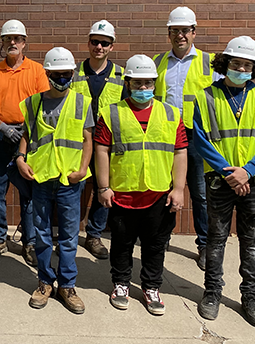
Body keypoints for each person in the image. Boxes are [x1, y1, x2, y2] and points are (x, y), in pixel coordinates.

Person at [193, 37, 255, 329]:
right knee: (215, 240)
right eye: (236, 63)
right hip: (220, 180)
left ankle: (250, 298)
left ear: (254, 68)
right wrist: (230, 173)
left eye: (247, 65)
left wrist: (248, 171)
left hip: (253, 181)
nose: (241, 68)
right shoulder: (206, 97)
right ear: (224, 64)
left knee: (251, 242)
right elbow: (201, 140)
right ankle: (212, 293)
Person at [94, 54, 187, 316]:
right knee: (122, 243)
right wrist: (103, 186)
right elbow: (101, 150)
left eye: (148, 83)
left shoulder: (170, 113)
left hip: (159, 193)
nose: (143, 89)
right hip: (123, 192)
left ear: (155, 84)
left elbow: (180, 151)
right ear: (128, 83)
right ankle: (121, 283)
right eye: (137, 83)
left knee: (155, 245)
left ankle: (151, 287)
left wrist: (178, 188)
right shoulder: (112, 112)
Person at [16, 47, 94, 315]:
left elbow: (87, 139)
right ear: (47, 74)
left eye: (66, 74)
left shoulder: (82, 102)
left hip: (70, 180)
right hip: (41, 177)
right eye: (57, 74)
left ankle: (68, 285)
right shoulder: (33, 102)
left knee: (70, 236)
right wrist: (20, 158)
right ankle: (45, 282)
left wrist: (83, 169)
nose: (62, 78)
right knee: (41, 234)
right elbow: (27, 135)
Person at [0, 19, 50, 267]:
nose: (13, 42)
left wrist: (25, 131)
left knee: (29, 193)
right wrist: (2, 127)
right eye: (8, 38)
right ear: (2, 42)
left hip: (28, 140)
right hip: (1, 138)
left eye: (17, 39)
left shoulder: (36, 71)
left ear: (24, 43)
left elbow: (44, 103)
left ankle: (29, 243)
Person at [152, 6, 213, 270]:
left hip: (197, 137)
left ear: (193, 32)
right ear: (169, 33)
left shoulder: (209, 63)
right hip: (166, 137)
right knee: (164, 189)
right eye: (175, 30)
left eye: (185, 30)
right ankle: (161, 237)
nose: (180, 35)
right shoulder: (157, 62)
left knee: (200, 194)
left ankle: (205, 244)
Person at [70, 20, 124, 260]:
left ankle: (94, 235)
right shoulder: (73, 73)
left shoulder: (122, 75)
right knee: (74, 186)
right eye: (95, 42)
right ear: (88, 43)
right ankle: (70, 234)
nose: (99, 47)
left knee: (104, 187)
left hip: (107, 140)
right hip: (78, 139)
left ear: (111, 47)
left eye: (104, 43)